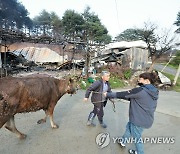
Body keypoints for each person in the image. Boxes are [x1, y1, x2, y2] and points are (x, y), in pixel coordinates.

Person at [104, 72, 159, 154]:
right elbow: (135, 98)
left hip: (138, 120)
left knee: (137, 137)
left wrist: (108, 94)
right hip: (145, 118)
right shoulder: (154, 91)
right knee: (129, 128)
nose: (138, 80)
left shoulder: (140, 90)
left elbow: (124, 94)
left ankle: (140, 152)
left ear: (147, 80)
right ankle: (123, 141)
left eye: (140, 79)